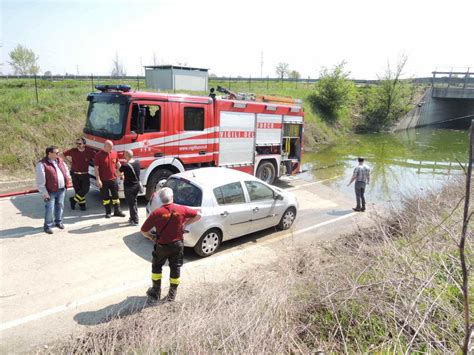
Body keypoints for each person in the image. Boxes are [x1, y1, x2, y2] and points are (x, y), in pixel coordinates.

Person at [141, 187, 201, 302]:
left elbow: (143, 230)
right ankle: (171, 295)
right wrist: (185, 224)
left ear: (160, 199)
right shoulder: (181, 209)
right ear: (172, 197)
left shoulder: (157, 213)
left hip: (162, 246)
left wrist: (151, 237)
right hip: (177, 245)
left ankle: (156, 292)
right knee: (175, 268)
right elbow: (198, 215)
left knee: (157, 267)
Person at [35, 146, 71, 234]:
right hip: (50, 191)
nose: (58, 154)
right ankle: (48, 226)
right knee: (50, 209)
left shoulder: (60, 161)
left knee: (60, 206)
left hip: (61, 189)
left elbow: (66, 171)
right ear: (49, 153)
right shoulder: (42, 164)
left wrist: (68, 179)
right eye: (56, 153)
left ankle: (58, 222)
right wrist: (44, 193)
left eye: (58, 152)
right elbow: (40, 181)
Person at [94, 140, 126, 218]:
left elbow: (118, 164)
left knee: (116, 196)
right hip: (103, 180)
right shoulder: (98, 155)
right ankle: (108, 212)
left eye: (112, 147)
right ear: (105, 146)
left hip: (113, 179)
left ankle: (117, 211)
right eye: (110, 147)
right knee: (106, 198)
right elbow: (96, 169)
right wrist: (98, 179)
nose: (112, 148)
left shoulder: (114, 153)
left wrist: (122, 173)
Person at [62, 137, 96, 211]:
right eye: (76, 143)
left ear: (84, 144)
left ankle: (73, 200)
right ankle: (82, 205)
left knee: (85, 189)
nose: (78, 145)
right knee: (78, 191)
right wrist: (68, 162)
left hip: (85, 174)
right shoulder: (73, 151)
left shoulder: (89, 152)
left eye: (79, 143)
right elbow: (62, 154)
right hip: (75, 174)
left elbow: (96, 157)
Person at [119, 150, 141, 225]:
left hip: (129, 187)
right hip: (136, 186)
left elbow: (118, 173)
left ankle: (135, 220)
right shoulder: (137, 162)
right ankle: (132, 217)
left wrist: (119, 169)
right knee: (134, 202)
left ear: (127, 156)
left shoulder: (125, 165)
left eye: (124, 154)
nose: (123, 156)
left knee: (131, 204)